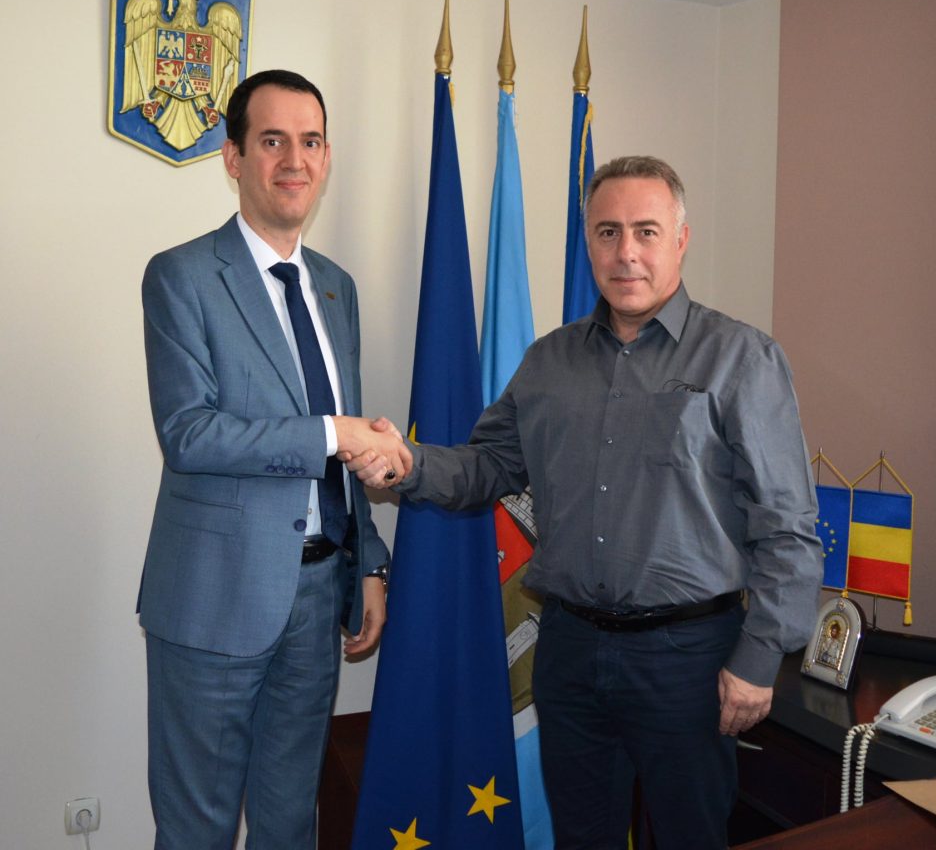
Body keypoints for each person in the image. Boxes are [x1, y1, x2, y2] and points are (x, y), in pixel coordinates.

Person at [351, 156, 823, 850]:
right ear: (589, 243)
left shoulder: (741, 358)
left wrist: (759, 657)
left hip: (688, 659)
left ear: (680, 240)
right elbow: (487, 467)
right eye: (607, 232)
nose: (626, 252)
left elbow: (787, 528)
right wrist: (408, 461)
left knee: (690, 836)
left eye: (645, 231)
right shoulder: (549, 362)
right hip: (569, 652)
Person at [138, 68, 410, 850]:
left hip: (318, 597)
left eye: (311, 141)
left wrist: (368, 563)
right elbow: (189, 433)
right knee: (197, 829)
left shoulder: (335, 287)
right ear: (232, 157)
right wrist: (334, 434)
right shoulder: (181, 276)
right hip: (213, 599)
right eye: (272, 141)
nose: (295, 160)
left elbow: (343, 443)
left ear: (326, 157)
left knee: (291, 823)